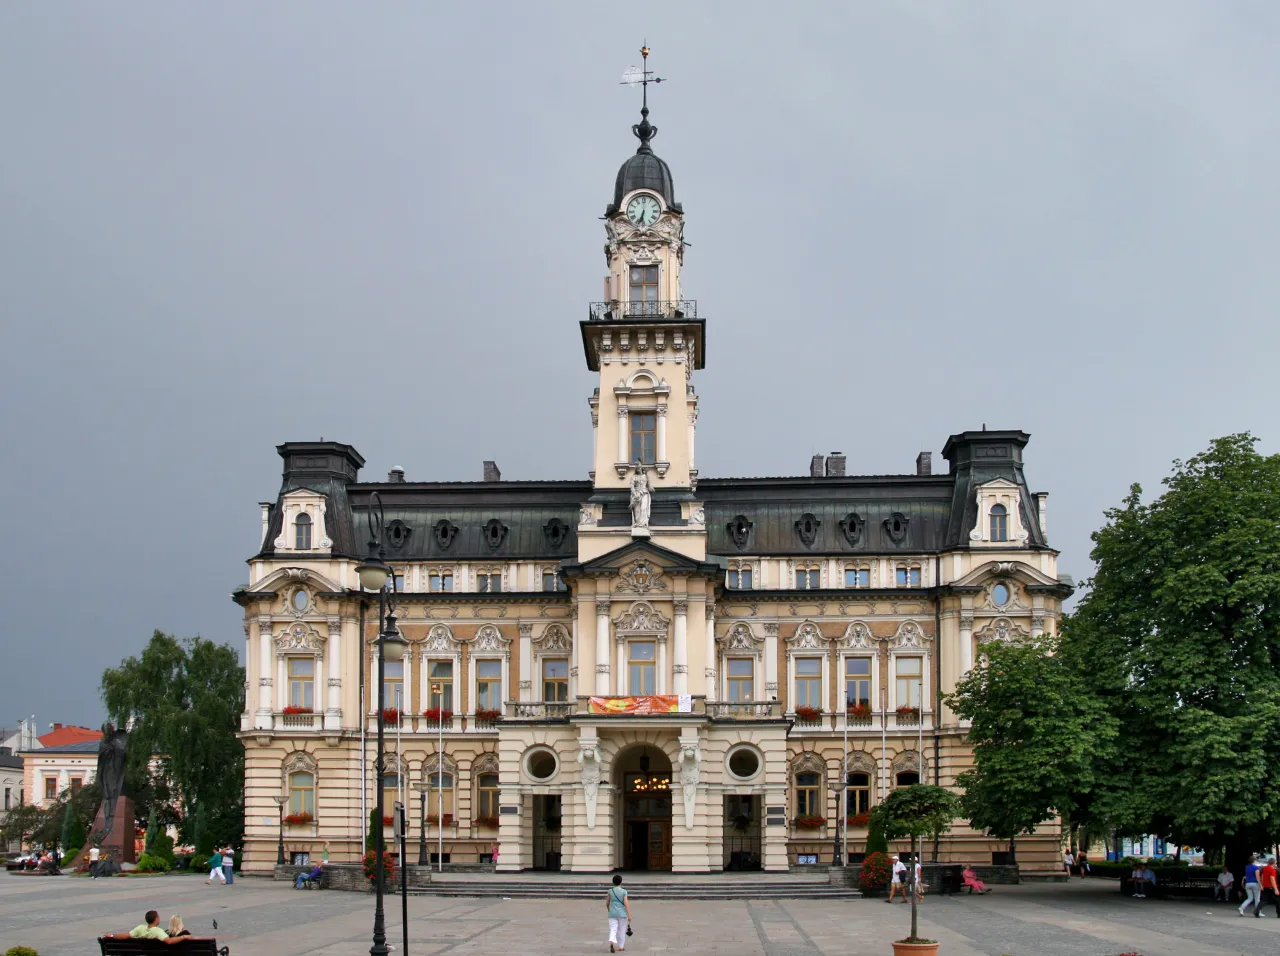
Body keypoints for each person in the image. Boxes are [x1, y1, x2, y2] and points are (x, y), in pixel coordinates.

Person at [103, 910, 185, 944]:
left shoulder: (140, 928)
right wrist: (184, 937)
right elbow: (169, 941)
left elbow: (125, 936)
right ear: (156, 919)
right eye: (158, 917)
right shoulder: (158, 931)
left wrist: (112, 936)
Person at [606, 873, 631, 953]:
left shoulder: (610, 891)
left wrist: (609, 910)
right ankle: (621, 947)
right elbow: (626, 903)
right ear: (621, 882)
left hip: (612, 913)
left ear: (613, 882)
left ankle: (612, 941)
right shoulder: (624, 891)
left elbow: (607, 903)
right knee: (622, 930)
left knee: (613, 929)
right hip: (622, 914)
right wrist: (629, 914)